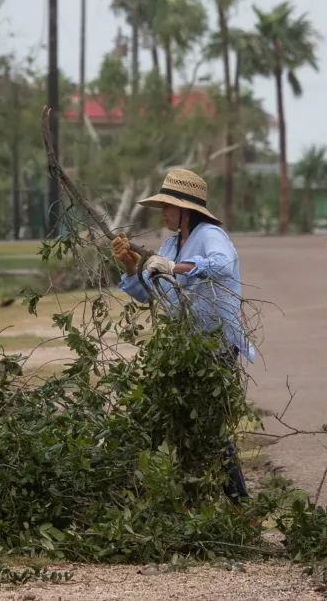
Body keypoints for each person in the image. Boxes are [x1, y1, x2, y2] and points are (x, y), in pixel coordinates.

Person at [111, 168, 254, 503]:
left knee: (212, 426)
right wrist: (132, 267)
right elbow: (149, 292)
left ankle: (239, 503)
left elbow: (222, 265)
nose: (163, 212)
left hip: (214, 344)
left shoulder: (209, 235)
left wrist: (175, 268)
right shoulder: (171, 243)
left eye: (168, 206)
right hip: (184, 345)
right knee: (186, 423)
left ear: (185, 209)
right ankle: (199, 498)